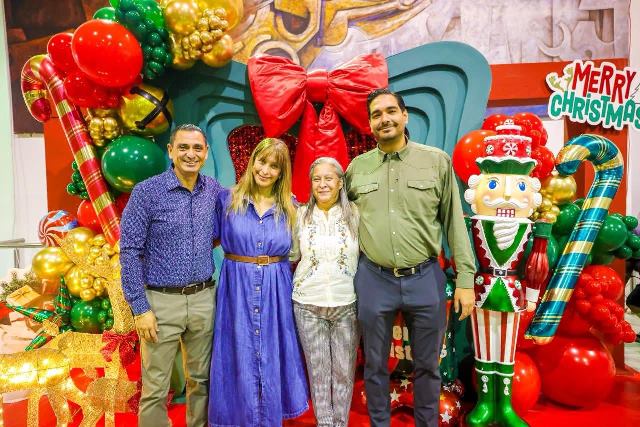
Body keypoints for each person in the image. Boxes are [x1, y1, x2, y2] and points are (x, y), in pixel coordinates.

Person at [345, 88, 476, 427]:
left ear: (404, 116)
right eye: (376, 114)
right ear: (370, 124)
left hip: (425, 277)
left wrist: (465, 280)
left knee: (428, 366)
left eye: (391, 111)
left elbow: (454, 222)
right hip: (373, 278)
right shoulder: (357, 169)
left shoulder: (436, 162)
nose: (384, 119)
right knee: (374, 365)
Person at [121, 123, 223, 427]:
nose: (190, 154)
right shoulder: (147, 192)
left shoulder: (213, 190)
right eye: (183, 147)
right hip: (161, 303)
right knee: (156, 386)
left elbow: (224, 227)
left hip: (204, 298)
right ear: (170, 151)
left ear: (206, 152)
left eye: (197, 148)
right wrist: (140, 308)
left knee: (202, 381)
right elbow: (129, 251)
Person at [208, 138, 309, 426]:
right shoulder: (227, 200)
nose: (265, 170)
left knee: (273, 350)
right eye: (262, 162)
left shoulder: (291, 207)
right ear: (252, 161)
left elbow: (301, 250)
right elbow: (207, 240)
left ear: (281, 172)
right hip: (236, 287)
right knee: (237, 348)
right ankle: (239, 417)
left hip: (276, 288)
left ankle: (269, 416)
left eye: (274, 166)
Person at [290, 157, 360, 427]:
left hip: (346, 304)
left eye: (328, 178)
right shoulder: (300, 215)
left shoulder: (355, 214)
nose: (322, 184)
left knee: (344, 372)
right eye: (316, 179)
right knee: (318, 372)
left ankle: (340, 423)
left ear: (340, 182)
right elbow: (291, 254)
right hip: (307, 304)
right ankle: (325, 423)